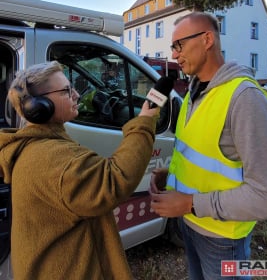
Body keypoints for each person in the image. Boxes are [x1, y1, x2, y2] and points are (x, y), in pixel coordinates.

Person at [149, 12, 267, 280]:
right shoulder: (193, 91)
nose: (175, 55)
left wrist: (189, 203)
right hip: (190, 226)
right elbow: (200, 154)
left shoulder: (245, 98)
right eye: (172, 47)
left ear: (207, 39)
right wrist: (173, 177)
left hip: (223, 239)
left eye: (179, 45)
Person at [0, 60, 159, 280]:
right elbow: (114, 180)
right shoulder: (51, 158)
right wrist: (144, 123)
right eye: (66, 90)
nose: (76, 94)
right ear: (38, 107)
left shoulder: (35, 146)